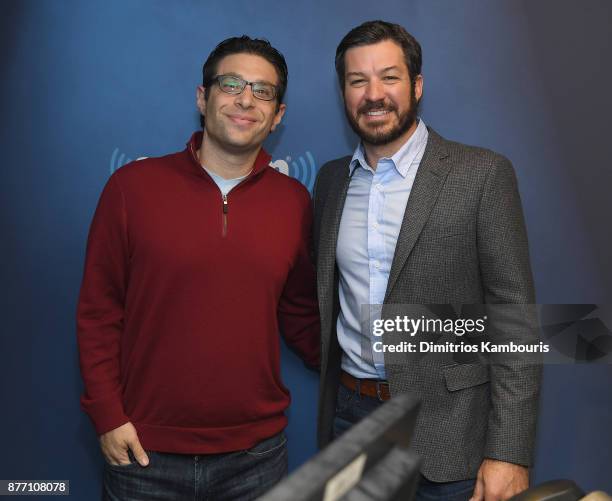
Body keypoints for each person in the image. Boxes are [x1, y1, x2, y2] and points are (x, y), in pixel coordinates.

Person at [77, 36, 319, 500]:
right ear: (203, 97)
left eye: (262, 91)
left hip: (257, 459)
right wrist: (107, 416)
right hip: (142, 454)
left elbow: (300, 313)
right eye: (231, 84)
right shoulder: (132, 188)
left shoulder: (294, 202)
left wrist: (373, 362)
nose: (246, 99)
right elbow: (98, 313)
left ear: (278, 116)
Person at [313, 20, 540, 501]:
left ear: (416, 85)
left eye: (389, 77)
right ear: (343, 93)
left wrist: (510, 452)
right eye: (358, 81)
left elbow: (514, 320)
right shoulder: (332, 183)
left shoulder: (481, 174)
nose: (374, 94)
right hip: (352, 421)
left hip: (451, 433)